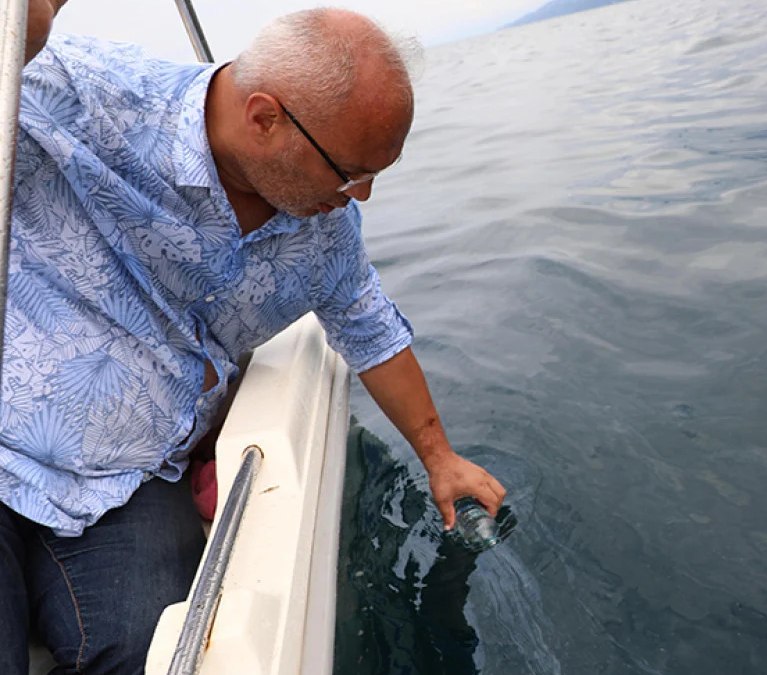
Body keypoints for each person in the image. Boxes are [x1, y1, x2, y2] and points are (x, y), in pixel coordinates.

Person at [0, 4, 507, 673]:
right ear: (265, 117)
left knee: (147, 656)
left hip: (134, 477)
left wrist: (439, 455)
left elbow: (369, 324)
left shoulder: (325, 230)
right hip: (8, 437)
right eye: (350, 171)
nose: (363, 196)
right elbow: (13, 54)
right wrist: (32, 20)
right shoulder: (89, 90)